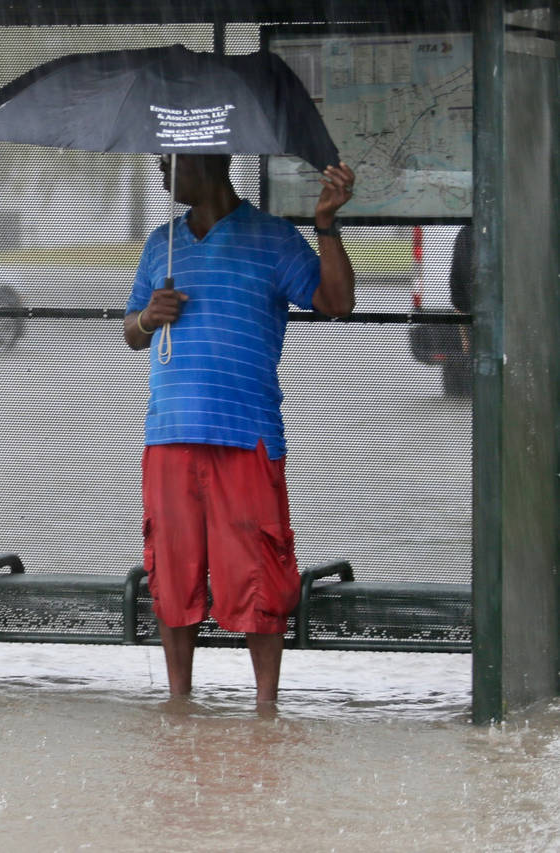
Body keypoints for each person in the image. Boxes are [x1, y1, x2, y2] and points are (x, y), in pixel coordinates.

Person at [124, 153, 356, 705]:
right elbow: (131, 332)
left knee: (258, 571)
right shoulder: (162, 243)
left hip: (246, 435)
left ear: (205, 164)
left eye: (168, 164)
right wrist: (149, 318)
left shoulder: (273, 238)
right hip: (170, 435)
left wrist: (325, 225)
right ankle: (179, 703)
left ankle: (265, 709)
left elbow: (338, 303)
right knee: (173, 573)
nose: (162, 175)